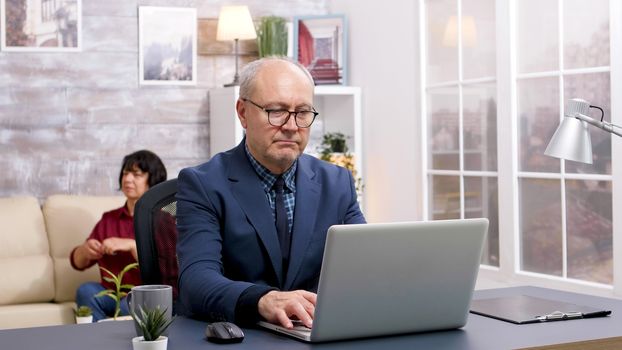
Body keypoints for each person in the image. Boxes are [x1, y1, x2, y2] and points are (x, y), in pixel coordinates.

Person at [176, 57, 366, 329]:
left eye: (302, 112)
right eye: (276, 111)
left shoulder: (337, 183)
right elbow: (196, 280)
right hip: (240, 336)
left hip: (313, 334)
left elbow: (364, 268)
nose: (291, 125)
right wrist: (263, 300)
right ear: (243, 112)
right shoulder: (202, 184)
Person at [70, 150, 167, 321]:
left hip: (144, 295)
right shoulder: (109, 219)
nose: (128, 179)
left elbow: (164, 268)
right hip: (111, 293)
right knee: (85, 291)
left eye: (136, 174)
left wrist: (130, 245)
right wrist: (85, 251)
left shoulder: (163, 220)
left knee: (125, 306)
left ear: (153, 180)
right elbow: (78, 263)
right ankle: (98, 340)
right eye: (125, 173)